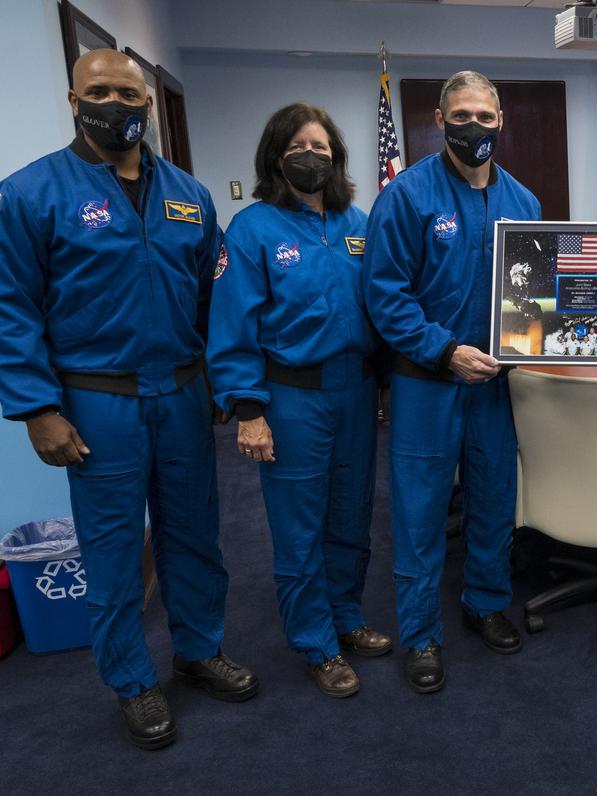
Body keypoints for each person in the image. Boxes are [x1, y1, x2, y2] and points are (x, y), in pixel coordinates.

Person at [0, 50, 256, 751]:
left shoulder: (189, 195)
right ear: (74, 101)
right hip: (98, 400)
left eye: (128, 94)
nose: (115, 104)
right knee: (113, 550)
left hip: (184, 391)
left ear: (148, 104)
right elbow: (9, 308)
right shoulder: (30, 193)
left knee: (195, 535)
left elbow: (215, 297)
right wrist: (37, 409)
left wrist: (220, 380)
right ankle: (132, 680)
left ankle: (198, 650)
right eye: (98, 92)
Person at [206, 103, 392, 699]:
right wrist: (248, 411)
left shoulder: (358, 223)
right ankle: (316, 643)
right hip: (291, 397)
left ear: (336, 157)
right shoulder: (252, 230)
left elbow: (383, 306)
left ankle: (346, 616)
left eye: (320, 147)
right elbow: (232, 324)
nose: (311, 157)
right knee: (300, 526)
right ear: (275, 158)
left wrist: (387, 383)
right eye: (297, 148)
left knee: (352, 515)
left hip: (357, 390)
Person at [364, 71, 541, 694]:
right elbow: (385, 295)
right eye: (461, 116)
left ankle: (485, 602)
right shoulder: (406, 196)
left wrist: (542, 337)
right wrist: (444, 351)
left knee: (492, 500)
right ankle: (420, 634)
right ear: (440, 121)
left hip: (495, 384)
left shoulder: (524, 203)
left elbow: (533, 295)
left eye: (485, 117)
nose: (475, 127)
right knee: (420, 512)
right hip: (427, 380)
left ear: (501, 121)